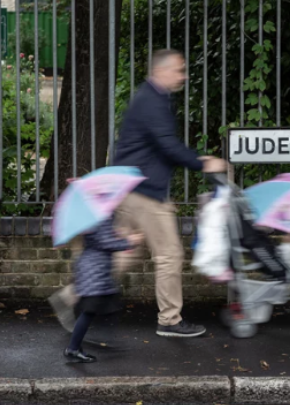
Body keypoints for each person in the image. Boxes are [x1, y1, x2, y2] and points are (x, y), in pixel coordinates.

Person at [49, 49, 227, 338]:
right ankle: (170, 320)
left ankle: (73, 295)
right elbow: (167, 145)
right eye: (179, 70)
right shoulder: (152, 101)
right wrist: (202, 162)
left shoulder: (149, 98)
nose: (182, 76)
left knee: (127, 251)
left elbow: (158, 147)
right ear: (162, 71)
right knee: (169, 254)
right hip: (145, 192)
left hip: (131, 188)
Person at [63, 217, 144, 363]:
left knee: (109, 302)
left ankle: (103, 338)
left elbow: (101, 237)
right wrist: (129, 242)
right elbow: (105, 242)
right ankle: (74, 348)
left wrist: (115, 234)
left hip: (97, 269)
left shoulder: (95, 213)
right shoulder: (101, 214)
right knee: (89, 311)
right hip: (94, 271)